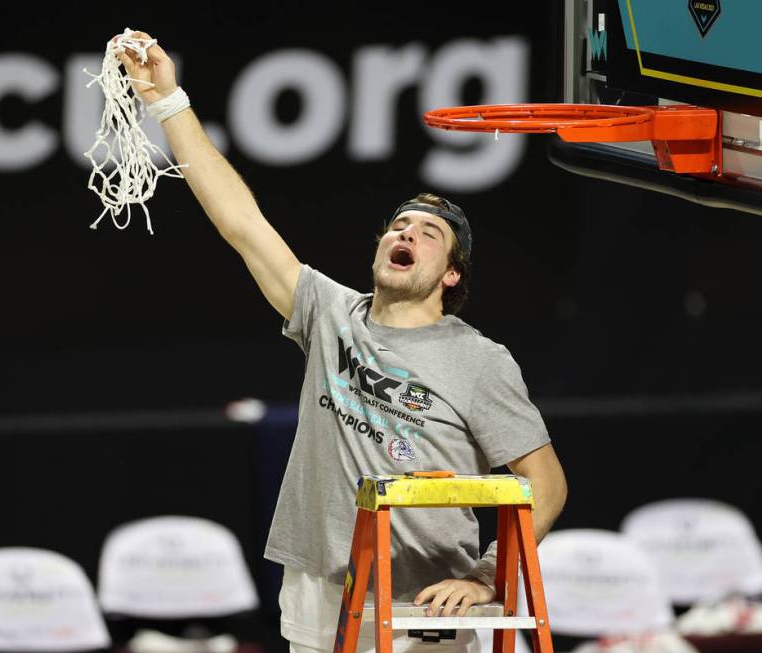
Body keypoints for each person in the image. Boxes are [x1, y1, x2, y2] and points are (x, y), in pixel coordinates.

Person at [114, 32, 567, 653]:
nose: (406, 232)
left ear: (452, 273)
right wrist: (166, 99)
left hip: (425, 592)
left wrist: (485, 577)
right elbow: (241, 223)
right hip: (322, 582)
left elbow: (545, 483)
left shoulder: (478, 360)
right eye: (399, 225)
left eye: (429, 232)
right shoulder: (330, 313)